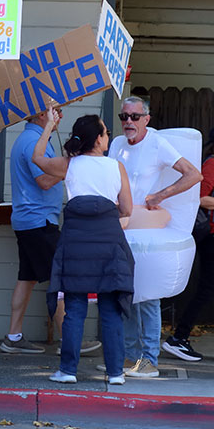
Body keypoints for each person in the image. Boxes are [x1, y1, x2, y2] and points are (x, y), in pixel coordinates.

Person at [33, 110, 134, 385]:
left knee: (75, 307)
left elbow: (37, 158)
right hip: (109, 244)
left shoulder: (69, 164)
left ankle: (67, 370)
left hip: (76, 243)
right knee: (110, 308)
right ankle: (115, 373)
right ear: (98, 139)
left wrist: (49, 126)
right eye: (105, 132)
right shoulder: (116, 167)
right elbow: (127, 209)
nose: (108, 136)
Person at [109, 95, 201, 378]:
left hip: (147, 227)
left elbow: (193, 175)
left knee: (148, 295)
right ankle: (129, 357)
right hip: (122, 226)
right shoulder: (116, 144)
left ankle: (149, 359)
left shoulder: (158, 143)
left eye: (134, 117)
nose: (128, 122)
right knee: (125, 294)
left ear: (147, 119)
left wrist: (160, 195)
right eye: (124, 117)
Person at [1, 108, 65, 354]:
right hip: (39, 221)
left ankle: (13, 336)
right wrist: (70, 166)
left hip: (31, 220)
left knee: (26, 278)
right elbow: (44, 180)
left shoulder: (33, 139)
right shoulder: (32, 142)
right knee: (60, 279)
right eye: (56, 112)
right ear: (41, 115)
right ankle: (68, 340)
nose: (60, 116)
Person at [163, 127, 214, 362]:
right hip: (211, 235)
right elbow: (197, 197)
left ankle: (179, 337)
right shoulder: (212, 163)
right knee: (206, 288)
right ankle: (178, 337)